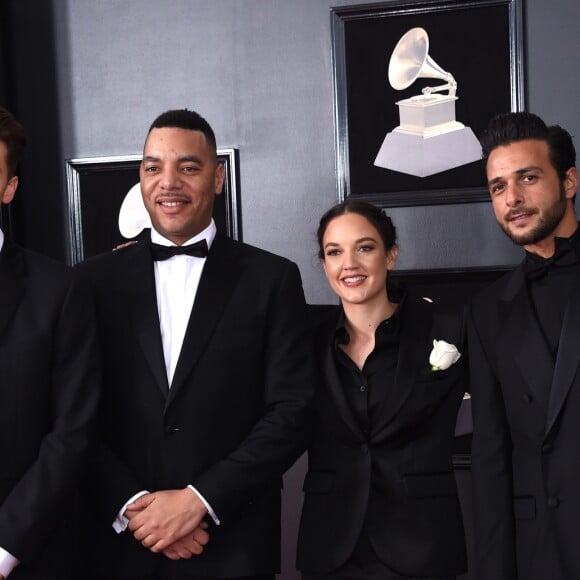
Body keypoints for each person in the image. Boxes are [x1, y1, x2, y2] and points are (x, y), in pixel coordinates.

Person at [78, 108, 316, 580]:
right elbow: (74, 414)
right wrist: (134, 509)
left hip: (234, 545)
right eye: (153, 168)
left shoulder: (272, 279)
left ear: (218, 177)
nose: (168, 182)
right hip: (120, 548)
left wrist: (198, 501)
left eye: (188, 167)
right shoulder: (89, 282)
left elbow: (293, 411)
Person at [297, 200, 467, 580]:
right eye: (334, 252)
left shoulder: (448, 326)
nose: (349, 264)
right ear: (324, 264)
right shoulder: (304, 337)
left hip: (423, 544)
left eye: (365, 247)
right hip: (331, 546)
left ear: (391, 255)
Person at [469, 111, 580, 579]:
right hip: (540, 552)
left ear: (569, 181)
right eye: (498, 187)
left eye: (527, 178)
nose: (512, 198)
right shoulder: (488, 309)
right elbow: (491, 459)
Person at [0, 106, 99, 579]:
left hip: (28, 554)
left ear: (9, 189)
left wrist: (5, 546)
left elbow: (72, 432)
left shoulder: (59, 289)